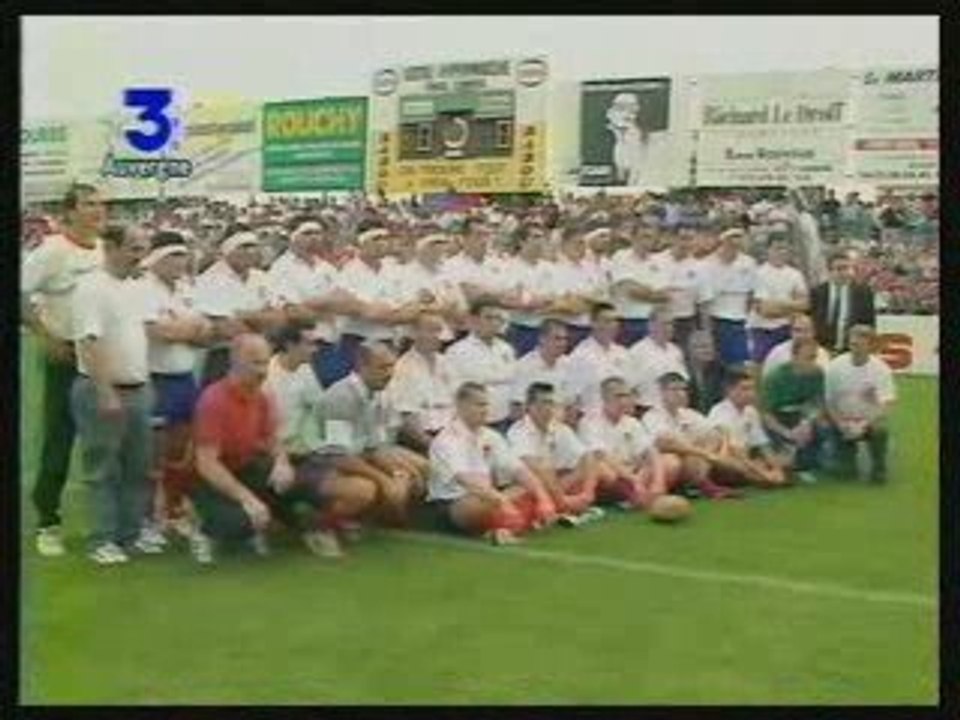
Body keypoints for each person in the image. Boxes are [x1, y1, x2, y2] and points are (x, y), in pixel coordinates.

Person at [191, 334, 335, 564]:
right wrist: (247, 498)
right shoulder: (214, 401)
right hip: (213, 480)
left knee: (310, 485)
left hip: (248, 467)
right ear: (236, 362)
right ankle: (205, 529)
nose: (263, 371)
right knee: (241, 521)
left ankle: (288, 526)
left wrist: (281, 463)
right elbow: (207, 464)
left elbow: (272, 440)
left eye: (265, 363)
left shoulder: (262, 398)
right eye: (256, 363)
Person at [21, 183, 106, 556]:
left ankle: (106, 521)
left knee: (104, 440)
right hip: (65, 356)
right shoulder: (52, 251)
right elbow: (20, 292)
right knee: (59, 437)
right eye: (88, 204)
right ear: (69, 211)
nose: (97, 211)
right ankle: (48, 522)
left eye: (100, 204)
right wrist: (44, 335)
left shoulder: (105, 248)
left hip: (102, 356)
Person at [70, 223, 158, 564]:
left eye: (142, 248)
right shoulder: (91, 287)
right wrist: (105, 391)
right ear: (111, 247)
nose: (140, 256)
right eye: (134, 248)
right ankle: (102, 539)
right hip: (102, 388)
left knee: (137, 467)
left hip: (138, 387)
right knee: (103, 467)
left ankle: (129, 534)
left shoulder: (137, 287)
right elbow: (89, 342)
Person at [263, 322, 379, 558]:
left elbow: (319, 408)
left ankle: (322, 520)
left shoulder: (305, 369)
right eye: (309, 343)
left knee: (363, 475)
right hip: (279, 458)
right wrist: (282, 459)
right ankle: (318, 528)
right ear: (289, 345)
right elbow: (266, 431)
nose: (315, 349)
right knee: (362, 490)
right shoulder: (267, 379)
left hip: (310, 453)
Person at [140, 231, 214, 538]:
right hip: (154, 378)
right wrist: (190, 330)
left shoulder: (186, 289)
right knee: (152, 454)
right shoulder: (144, 289)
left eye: (182, 255)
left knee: (181, 452)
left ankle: (172, 510)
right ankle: (146, 518)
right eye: (172, 255)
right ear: (155, 259)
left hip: (185, 378)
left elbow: (206, 331)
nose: (179, 262)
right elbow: (158, 333)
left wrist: (184, 330)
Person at [424, 382, 558, 545]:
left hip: (489, 495)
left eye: (486, 405)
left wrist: (544, 498)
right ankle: (508, 526)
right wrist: (502, 501)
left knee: (534, 483)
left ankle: (505, 527)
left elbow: (518, 470)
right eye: (479, 405)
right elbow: (467, 482)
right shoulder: (447, 439)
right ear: (461, 406)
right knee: (481, 505)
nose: (485, 410)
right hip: (454, 503)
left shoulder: (491, 436)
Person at [322, 342, 428, 525]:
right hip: (328, 464)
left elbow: (376, 447)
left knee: (418, 472)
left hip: (362, 456)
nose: (389, 373)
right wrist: (384, 479)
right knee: (379, 489)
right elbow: (338, 457)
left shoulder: (379, 392)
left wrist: (398, 470)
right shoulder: (341, 396)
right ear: (362, 367)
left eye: (391, 366)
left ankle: (382, 521)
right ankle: (321, 524)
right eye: (382, 367)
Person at [265, 218, 359, 387]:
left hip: (332, 345)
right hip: (300, 348)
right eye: (307, 233)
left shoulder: (326, 268)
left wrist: (314, 305)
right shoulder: (281, 268)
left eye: (317, 233)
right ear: (293, 237)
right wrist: (328, 309)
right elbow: (294, 313)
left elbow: (346, 302)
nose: (314, 237)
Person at [193, 226, 287, 385]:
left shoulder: (262, 277)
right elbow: (226, 328)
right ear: (228, 249)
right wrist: (261, 319)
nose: (250, 252)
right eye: (244, 247)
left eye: (253, 246)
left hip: (262, 355)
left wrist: (244, 315)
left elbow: (279, 320)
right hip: (225, 359)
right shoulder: (208, 280)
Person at [507, 383, 610, 521]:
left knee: (596, 468)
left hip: (557, 481)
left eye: (552, 403)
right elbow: (536, 468)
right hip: (533, 484)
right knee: (526, 492)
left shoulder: (559, 428)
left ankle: (571, 505)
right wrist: (563, 500)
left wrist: (588, 493)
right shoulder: (518, 431)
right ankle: (562, 507)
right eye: (544, 403)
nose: (549, 408)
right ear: (529, 406)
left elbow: (587, 456)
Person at [578, 376, 680, 510]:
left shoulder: (632, 422)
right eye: (618, 396)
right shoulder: (589, 421)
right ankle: (633, 497)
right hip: (613, 476)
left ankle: (645, 495)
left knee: (670, 461)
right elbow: (601, 455)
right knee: (602, 468)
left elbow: (650, 451)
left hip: (633, 472)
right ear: (604, 398)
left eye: (627, 395)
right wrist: (633, 479)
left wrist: (658, 482)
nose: (624, 401)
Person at [640, 373, 747, 498]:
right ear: (662, 393)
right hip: (662, 464)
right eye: (675, 389)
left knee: (712, 439)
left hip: (692, 463)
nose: (681, 393)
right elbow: (664, 443)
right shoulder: (653, 415)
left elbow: (720, 430)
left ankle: (700, 484)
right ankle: (703, 486)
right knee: (674, 459)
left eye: (684, 389)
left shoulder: (688, 413)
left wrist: (722, 453)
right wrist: (707, 454)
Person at [824, 325, 896, 483]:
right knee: (845, 475)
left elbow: (887, 404)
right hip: (842, 421)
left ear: (870, 346)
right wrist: (841, 424)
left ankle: (879, 468)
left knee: (880, 431)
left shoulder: (881, 369)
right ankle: (843, 457)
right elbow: (828, 401)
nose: (855, 348)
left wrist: (864, 425)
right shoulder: (835, 367)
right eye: (852, 344)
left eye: (860, 345)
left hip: (868, 422)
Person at [386, 311, 457, 454]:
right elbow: (406, 421)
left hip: (451, 435)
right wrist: (435, 447)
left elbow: (459, 405)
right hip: (421, 439)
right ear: (414, 332)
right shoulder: (402, 367)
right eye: (431, 330)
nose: (437, 336)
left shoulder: (448, 363)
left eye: (439, 330)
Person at [445, 300, 519, 434]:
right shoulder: (457, 351)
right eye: (489, 318)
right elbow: (454, 391)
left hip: (505, 421)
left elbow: (514, 382)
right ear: (473, 319)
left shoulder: (507, 349)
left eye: (498, 318)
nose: (494, 323)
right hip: (472, 424)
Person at [706, 368, 789, 487]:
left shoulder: (751, 411)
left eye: (752, 389)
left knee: (783, 460)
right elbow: (734, 450)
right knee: (739, 467)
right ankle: (761, 478)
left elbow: (762, 444)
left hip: (745, 459)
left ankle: (766, 477)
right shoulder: (720, 412)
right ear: (730, 390)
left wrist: (777, 468)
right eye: (745, 389)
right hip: (726, 460)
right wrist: (763, 473)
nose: (751, 393)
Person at [760, 338, 827, 484]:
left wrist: (807, 422)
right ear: (794, 357)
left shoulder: (817, 374)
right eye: (808, 358)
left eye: (814, 358)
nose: (812, 362)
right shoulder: (775, 378)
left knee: (822, 427)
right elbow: (766, 415)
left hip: (801, 416)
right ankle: (785, 461)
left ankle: (806, 464)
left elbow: (819, 404)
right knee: (782, 458)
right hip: (778, 419)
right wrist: (787, 433)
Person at [748, 234, 809, 364]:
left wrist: (776, 303)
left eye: (784, 248)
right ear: (768, 250)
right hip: (763, 332)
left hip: (787, 330)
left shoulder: (795, 274)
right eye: (777, 248)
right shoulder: (759, 273)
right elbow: (766, 311)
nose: (781, 252)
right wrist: (792, 305)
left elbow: (804, 305)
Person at [651, 225, 713, 353]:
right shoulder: (654, 260)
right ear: (672, 238)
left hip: (685, 323)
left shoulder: (701, 267)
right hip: (657, 320)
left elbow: (704, 303)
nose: (686, 243)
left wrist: (707, 332)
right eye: (683, 238)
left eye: (690, 239)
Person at [502, 224, 559, 357]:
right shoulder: (510, 267)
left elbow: (558, 298)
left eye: (542, 237)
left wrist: (534, 299)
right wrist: (541, 300)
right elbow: (517, 301)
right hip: (521, 330)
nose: (540, 241)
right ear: (522, 241)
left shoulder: (549, 267)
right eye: (535, 237)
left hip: (546, 329)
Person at [609, 222, 670, 347]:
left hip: (651, 323)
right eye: (644, 236)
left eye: (652, 237)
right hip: (626, 322)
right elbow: (631, 291)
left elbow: (665, 295)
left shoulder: (661, 261)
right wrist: (652, 293)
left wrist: (643, 290)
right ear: (633, 237)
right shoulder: (620, 257)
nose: (647, 241)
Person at [566, 302, 631, 417]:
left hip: (621, 419)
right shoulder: (580, 356)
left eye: (615, 321)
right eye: (607, 321)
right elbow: (572, 399)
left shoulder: (623, 353)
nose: (612, 325)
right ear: (593, 323)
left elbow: (629, 391)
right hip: (593, 420)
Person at [547, 224, 609, 347]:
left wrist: (581, 298)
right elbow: (567, 306)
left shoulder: (592, 268)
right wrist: (591, 299)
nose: (580, 247)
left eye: (583, 243)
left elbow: (605, 299)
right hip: (566, 329)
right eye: (576, 243)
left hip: (592, 329)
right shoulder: (553, 269)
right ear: (564, 244)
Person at [704, 228, 757, 365]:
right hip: (716, 320)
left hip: (740, 322)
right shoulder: (707, 264)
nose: (736, 242)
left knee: (739, 366)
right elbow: (705, 301)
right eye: (732, 238)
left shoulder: (749, 263)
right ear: (723, 240)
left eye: (739, 237)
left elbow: (751, 295)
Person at [509, 319, 577, 422]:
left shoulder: (569, 363)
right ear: (542, 339)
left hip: (561, 427)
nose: (562, 343)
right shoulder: (524, 366)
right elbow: (517, 410)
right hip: (532, 427)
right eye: (557, 338)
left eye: (565, 339)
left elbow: (571, 405)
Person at [810, 251, 876, 354]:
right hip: (822, 350)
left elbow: (870, 324)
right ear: (829, 271)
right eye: (840, 268)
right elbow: (811, 322)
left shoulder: (863, 293)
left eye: (847, 268)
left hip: (851, 351)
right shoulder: (817, 292)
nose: (844, 272)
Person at [626, 308, 687, 412]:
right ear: (651, 325)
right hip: (647, 408)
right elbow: (629, 386)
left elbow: (683, 381)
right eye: (664, 324)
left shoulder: (676, 351)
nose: (669, 328)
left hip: (674, 409)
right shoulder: (637, 352)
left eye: (671, 324)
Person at [762, 313, 831, 378]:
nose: (801, 335)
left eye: (806, 331)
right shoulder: (777, 353)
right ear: (790, 332)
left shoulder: (822, 355)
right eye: (797, 330)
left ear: (814, 332)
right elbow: (767, 380)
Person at [686, 330, 726, 415]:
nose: (708, 350)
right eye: (702, 347)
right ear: (691, 350)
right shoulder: (685, 370)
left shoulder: (722, 371)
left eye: (710, 346)